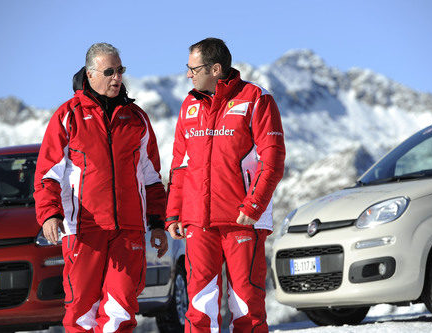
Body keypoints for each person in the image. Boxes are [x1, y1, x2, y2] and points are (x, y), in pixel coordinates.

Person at [34, 42, 168, 333]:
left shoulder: (137, 119)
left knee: (120, 308)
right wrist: (49, 214)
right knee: (82, 311)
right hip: (84, 230)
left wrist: (158, 222)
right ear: (90, 74)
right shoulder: (67, 116)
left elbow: (151, 177)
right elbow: (48, 173)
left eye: (120, 70)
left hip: (128, 230)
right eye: (110, 71)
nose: (117, 77)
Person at [166, 38, 286, 332]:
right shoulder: (189, 105)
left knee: (246, 305)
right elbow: (181, 165)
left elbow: (273, 158)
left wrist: (254, 205)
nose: (188, 75)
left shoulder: (256, 98)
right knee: (199, 304)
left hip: (242, 219)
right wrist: (174, 212)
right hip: (198, 222)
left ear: (215, 69)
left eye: (193, 68)